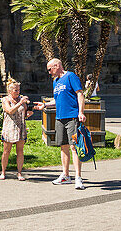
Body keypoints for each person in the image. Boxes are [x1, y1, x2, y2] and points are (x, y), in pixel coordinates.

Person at [35, 58, 87, 190]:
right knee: (63, 147)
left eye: (50, 69)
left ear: (57, 66)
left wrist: (81, 112)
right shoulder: (56, 82)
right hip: (60, 118)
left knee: (74, 147)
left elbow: (80, 94)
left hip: (72, 118)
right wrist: (45, 104)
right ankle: (65, 176)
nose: (49, 72)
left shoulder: (71, 76)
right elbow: (57, 100)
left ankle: (78, 178)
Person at [0, 80, 33, 181]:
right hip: (9, 128)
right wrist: (20, 103)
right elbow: (9, 110)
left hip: (20, 128)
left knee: (20, 151)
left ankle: (19, 173)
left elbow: (24, 112)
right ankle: (3, 172)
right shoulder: (5, 100)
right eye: (15, 90)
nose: (18, 92)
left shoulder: (21, 100)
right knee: (6, 151)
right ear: (10, 91)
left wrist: (29, 113)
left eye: (19, 90)